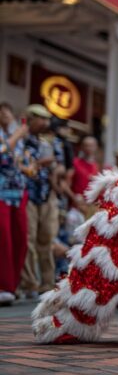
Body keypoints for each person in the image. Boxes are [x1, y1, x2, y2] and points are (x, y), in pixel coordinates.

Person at [18, 104, 60, 299]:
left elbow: (56, 165)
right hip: (26, 194)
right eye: (40, 119)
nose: (45, 123)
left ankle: (47, 282)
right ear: (30, 118)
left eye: (46, 119)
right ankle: (29, 283)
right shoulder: (20, 139)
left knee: (46, 238)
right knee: (28, 239)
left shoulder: (46, 142)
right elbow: (21, 163)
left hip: (46, 195)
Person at [0, 102, 29, 305]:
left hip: (18, 192)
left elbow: (23, 162)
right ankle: (4, 286)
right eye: (1, 113)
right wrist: (18, 135)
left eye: (8, 113)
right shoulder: (12, 137)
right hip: (1, 192)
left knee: (20, 239)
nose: (5, 116)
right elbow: (1, 153)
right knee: (4, 239)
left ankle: (12, 284)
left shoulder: (17, 140)